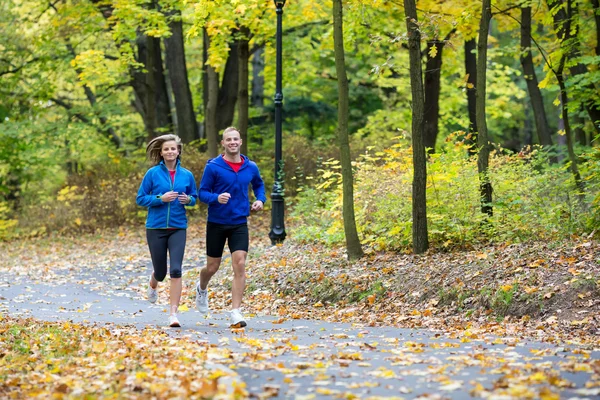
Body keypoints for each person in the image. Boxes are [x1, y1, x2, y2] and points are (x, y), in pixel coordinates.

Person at [195, 127, 266, 328]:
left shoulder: (250, 166)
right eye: (229, 139)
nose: (233, 142)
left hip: (239, 222)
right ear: (223, 143)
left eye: (236, 139)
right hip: (217, 222)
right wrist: (216, 198)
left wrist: (260, 200)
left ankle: (236, 311)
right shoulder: (214, 167)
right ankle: (201, 288)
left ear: (240, 141)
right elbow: (202, 193)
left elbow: (259, 186)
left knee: (240, 263)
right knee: (212, 267)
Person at [136, 134, 197, 328]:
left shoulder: (186, 175)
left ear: (178, 151)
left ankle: (173, 314)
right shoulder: (152, 174)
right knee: (161, 272)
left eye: (173, 149)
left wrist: (189, 200)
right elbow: (140, 199)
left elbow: (194, 197)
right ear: (161, 153)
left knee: (176, 270)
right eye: (166, 149)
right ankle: (153, 282)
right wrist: (159, 199)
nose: (170, 152)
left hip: (178, 227)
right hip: (156, 227)